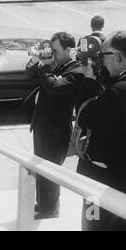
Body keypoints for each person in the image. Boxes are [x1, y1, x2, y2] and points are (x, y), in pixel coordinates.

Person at [75, 30, 126, 231]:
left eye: (103, 56)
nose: (101, 61)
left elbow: (85, 116)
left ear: (117, 56)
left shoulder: (118, 92)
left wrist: (90, 79)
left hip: (107, 181)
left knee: (94, 225)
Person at [26, 32, 84, 220]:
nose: (54, 54)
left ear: (69, 50)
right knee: (41, 168)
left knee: (50, 170)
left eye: (56, 51)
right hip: (42, 125)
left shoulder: (75, 71)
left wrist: (45, 66)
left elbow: (54, 87)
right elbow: (30, 75)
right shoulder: (54, 65)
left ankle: (50, 208)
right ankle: (43, 202)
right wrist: (37, 60)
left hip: (56, 129)